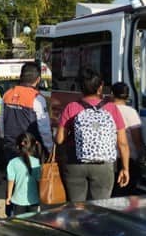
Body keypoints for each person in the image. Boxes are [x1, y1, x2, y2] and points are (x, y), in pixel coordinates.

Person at [55, 67, 130, 201]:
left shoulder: (71, 107)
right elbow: (123, 143)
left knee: (77, 208)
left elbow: (60, 139)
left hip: (75, 164)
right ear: (100, 87)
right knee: (100, 209)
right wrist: (125, 168)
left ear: (81, 87)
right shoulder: (112, 108)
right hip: (104, 165)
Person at [2, 62, 53, 166]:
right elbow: (44, 128)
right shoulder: (37, 98)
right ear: (38, 79)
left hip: (10, 145)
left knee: (13, 175)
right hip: (29, 147)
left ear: (21, 76)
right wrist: (49, 147)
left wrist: (4, 137)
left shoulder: (7, 94)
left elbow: (1, 119)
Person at [110, 82, 143, 196]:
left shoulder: (106, 110)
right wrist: (141, 156)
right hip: (128, 159)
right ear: (127, 96)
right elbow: (137, 139)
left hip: (109, 159)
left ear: (112, 94)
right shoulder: (131, 112)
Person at [6, 133, 42, 216]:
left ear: (18, 146)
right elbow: (38, 182)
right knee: (32, 223)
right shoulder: (37, 163)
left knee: (18, 223)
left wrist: (9, 196)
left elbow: (11, 181)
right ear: (33, 146)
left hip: (17, 199)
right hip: (34, 200)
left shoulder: (13, 162)